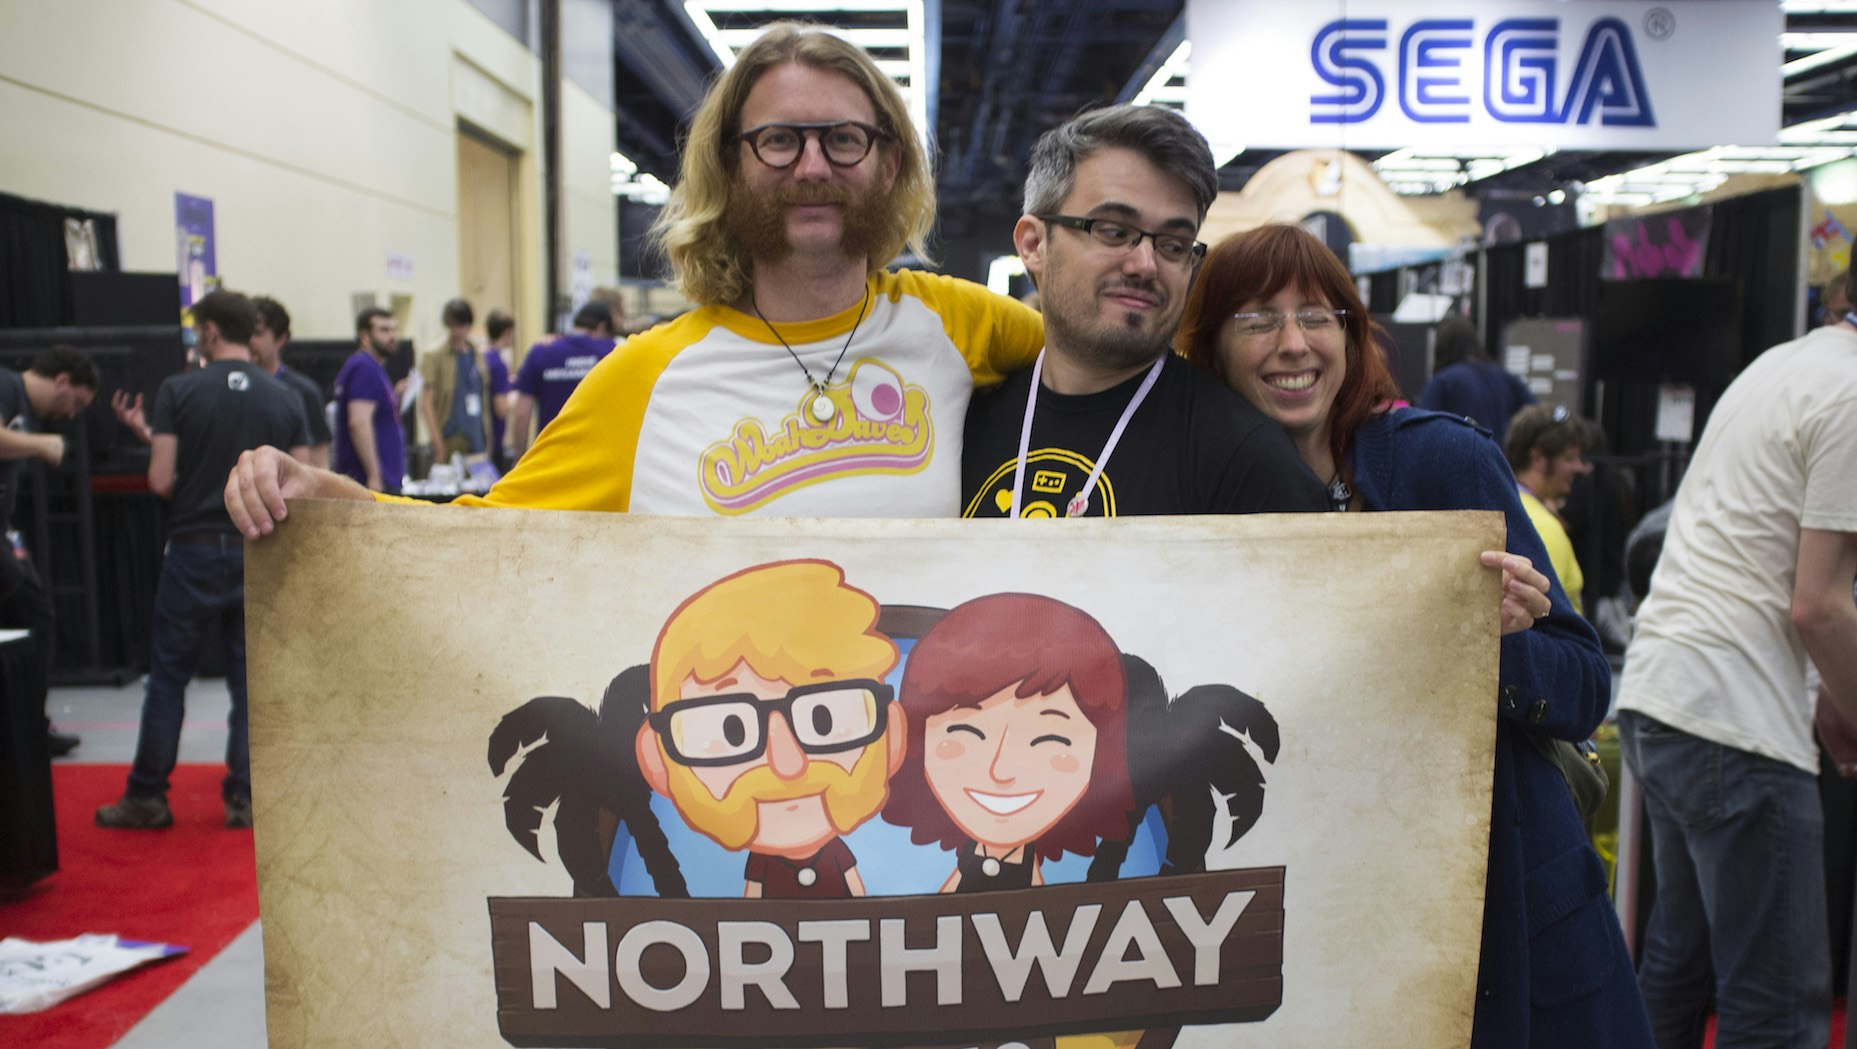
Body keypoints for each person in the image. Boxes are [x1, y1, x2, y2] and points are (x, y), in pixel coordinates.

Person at [225, 22, 1043, 528]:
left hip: (921, 775)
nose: (812, 165)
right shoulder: (646, 376)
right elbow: (482, 534)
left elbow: (1123, 376)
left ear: (889, 159)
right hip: (727, 780)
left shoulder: (964, 325)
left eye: (842, 139)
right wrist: (334, 501)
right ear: (729, 164)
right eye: (779, 141)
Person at [1176, 223, 1652, 1048]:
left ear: (1352, 335)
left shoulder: (1439, 462)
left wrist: (1483, 637)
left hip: (1500, 897)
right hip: (1324, 900)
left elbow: (1580, 686)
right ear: (1211, 345)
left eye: (1318, 315)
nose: (1293, 343)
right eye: (1256, 318)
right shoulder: (1195, 498)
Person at [1615, 263, 1857, 1049]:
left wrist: (1827, 694)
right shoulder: (1853, 393)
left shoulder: (1780, 364)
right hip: (1735, 721)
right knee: (1777, 1001)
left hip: (1667, 696)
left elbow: (1766, 559)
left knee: (1677, 968)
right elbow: (1817, 603)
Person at [963, 104, 1324, 518]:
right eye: (1114, 232)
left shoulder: (1245, 460)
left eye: (1172, 245)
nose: (1145, 265)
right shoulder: (961, 423)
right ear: (1034, 245)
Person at [94, 291, 309, 830]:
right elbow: (304, 487)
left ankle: (147, 795)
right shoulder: (285, 399)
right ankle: (245, 796)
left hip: (191, 549)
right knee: (250, 680)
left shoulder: (178, 390)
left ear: (210, 332)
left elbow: (160, 479)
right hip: (257, 549)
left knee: (168, 676)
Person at [632, 560, 904, 897]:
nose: (789, 766)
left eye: (824, 719)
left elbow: (860, 900)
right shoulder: (762, 861)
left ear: (892, 732)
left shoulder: (835, 852)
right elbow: (752, 903)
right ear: (657, 760)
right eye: (731, 730)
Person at [881, 592, 1132, 892]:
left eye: (1048, 739)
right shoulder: (968, 860)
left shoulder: (1029, 869)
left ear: (1101, 755)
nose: (1000, 770)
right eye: (965, 733)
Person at [0, 346, 99, 757]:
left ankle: (27, 726)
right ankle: (28, 728)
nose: (71, 414)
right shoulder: (6, 385)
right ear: (61, 380)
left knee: (32, 615)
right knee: (33, 613)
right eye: (75, 401)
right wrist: (42, 444)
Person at [1504, 404, 1593, 614]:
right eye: (1569, 458)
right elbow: (1552, 618)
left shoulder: (1499, 505)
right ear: (1537, 458)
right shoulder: (1544, 528)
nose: (1579, 467)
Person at [510, 301, 614, 459]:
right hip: (595, 456)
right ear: (601, 328)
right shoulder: (611, 351)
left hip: (551, 455)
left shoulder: (541, 351)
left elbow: (522, 414)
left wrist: (520, 458)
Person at [1416, 314, 1535, 443]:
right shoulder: (1504, 376)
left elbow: (1421, 427)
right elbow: (1535, 415)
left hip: (1459, 457)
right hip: (1500, 457)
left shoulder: (1442, 381)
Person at [250, 296, 330, 469]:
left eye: (257, 333)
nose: (250, 341)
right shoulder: (237, 387)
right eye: (245, 334)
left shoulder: (303, 391)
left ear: (281, 339)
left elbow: (319, 460)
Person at [332, 307, 405, 494]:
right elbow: (359, 423)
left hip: (385, 478)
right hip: (371, 482)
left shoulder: (373, 368)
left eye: (394, 330)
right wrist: (374, 476)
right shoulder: (363, 367)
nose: (392, 336)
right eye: (384, 330)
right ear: (365, 336)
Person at [417, 298, 493, 463]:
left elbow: (484, 398)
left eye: (461, 325)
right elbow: (426, 403)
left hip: (476, 436)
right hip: (449, 435)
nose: (457, 331)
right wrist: (438, 444)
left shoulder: (477, 356)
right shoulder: (434, 356)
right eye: (452, 326)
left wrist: (488, 440)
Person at [483, 308, 517, 470]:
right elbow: (501, 408)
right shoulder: (498, 365)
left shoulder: (482, 357)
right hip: (494, 439)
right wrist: (517, 394)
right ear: (507, 332)